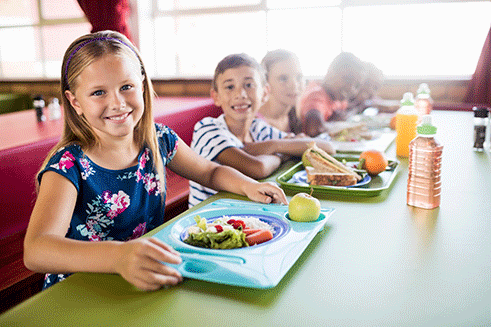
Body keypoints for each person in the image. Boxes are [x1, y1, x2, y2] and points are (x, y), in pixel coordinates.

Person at [23, 31, 288, 292]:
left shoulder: (158, 139)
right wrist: (119, 256)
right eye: (98, 93)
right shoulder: (69, 164)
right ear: (75, 101)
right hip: (82, 290)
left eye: (126, 87)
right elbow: (37, 249)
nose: (117, 103)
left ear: (141, 84)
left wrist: (248, 186)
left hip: (147, 277)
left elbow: (209, 171)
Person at [189, 53, 335, 206]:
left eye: (249, 85)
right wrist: (282, 151)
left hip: (248, 212)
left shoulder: (258, 128)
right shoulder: (207, 129)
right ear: (216, 96)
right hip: (209, 220)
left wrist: (274, 146)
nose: (240, 94)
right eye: (230, 87)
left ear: (265, 93)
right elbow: (257, 168)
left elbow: (326, 147)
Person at [299, 52, 366, 137]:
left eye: (356, 86)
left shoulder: (338, 98)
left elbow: (345, 113)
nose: (351, 88)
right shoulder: (316, 95)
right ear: (330, 72)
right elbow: (314, 129)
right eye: (347, 79)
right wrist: (338, 124)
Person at [259, 49, 304, 134]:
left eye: (299, 77)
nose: (294, 85)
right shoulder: (255, 122)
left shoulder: (294, 116)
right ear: (266, 83)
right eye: (283, 79)